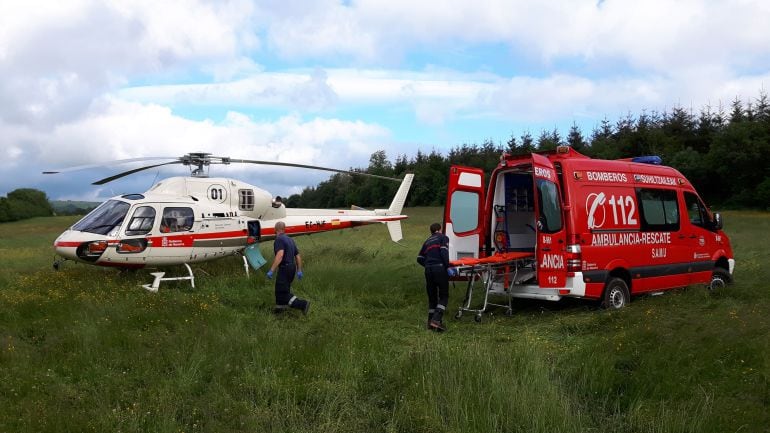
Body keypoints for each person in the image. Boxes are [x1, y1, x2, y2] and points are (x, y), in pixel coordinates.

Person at [417, 222, 455, 331]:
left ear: (431, 231)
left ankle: (430, 323)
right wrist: (447, 266)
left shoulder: (427, 241)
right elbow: (444, 252)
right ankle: (436, 320)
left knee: (432, 297)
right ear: (440, 229)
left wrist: (428, 265)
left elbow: (419, 258)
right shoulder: (443, 238)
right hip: (439, 269)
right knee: (444, 296)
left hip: (428, 270)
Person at [266, 221, 310, 315]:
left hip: (285, 268)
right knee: (282, 290)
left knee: (282, 292)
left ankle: (302, 304)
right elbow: (297, 256)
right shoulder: (290, 240)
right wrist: (299, 270)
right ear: (284, 229)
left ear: (275, 229)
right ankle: (280, 311)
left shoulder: (279, 239)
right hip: (292, 268)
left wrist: (271, 270)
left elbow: (280, 255)